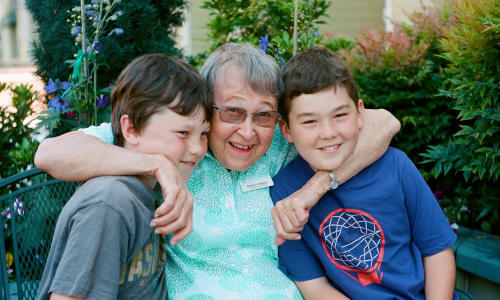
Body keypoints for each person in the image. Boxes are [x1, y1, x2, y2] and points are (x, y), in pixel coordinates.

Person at [34, 43, 400, 299]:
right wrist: (157, 164)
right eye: (232, 112)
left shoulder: (279, 145)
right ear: (206, 109)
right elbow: (51, 153)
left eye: (263, 114)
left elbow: (382, 123)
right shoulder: (182, 151)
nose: (248, 131)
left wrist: (314, 188)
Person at [270, 47, 457, 300]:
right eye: (310, 121)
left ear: (360, 113)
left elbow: (437, 251)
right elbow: (314, 286)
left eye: (340, 115)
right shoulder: (285, 195)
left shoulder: (395, 167)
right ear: (287, 130)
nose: (328, 132)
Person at [37, 54, 212, 300]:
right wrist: (158, 164)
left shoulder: (146, 191)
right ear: (130, 129)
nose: (197, 149)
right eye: (183, 132)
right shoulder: (110, 204)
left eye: (204, 134)